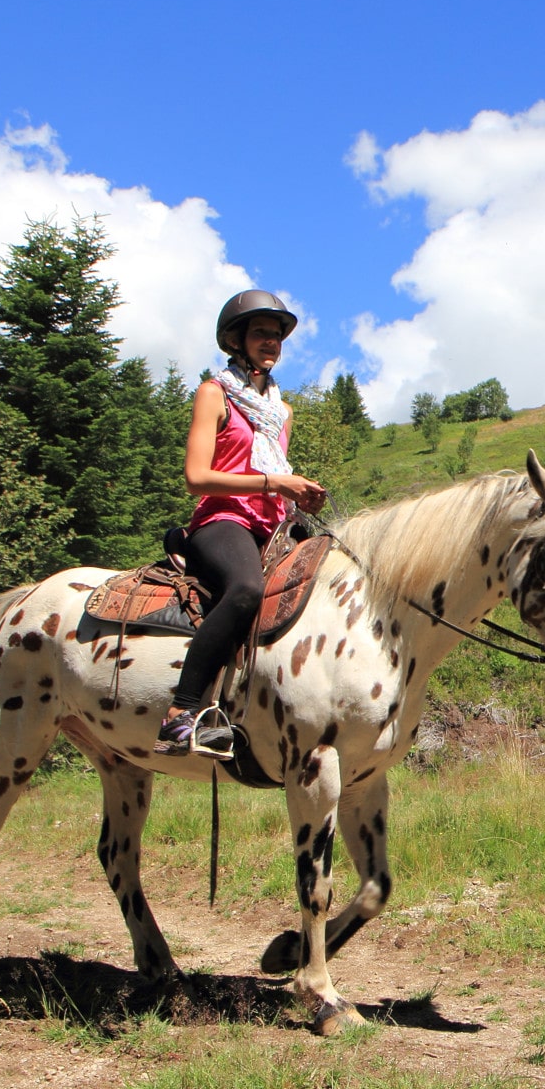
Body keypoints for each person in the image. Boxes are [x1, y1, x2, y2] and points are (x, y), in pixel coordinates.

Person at [156, 290, 326, 756]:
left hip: (273, 528)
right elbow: (196, 477)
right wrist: (277, 482)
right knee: (246, 591)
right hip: (223, 519)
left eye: (277, 336)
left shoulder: (280, 411)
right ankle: (180, 714)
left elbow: (275, 478)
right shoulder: (215, 394)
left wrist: (298, 496)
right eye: (261, 333)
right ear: (237, 340)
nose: (271, 342)